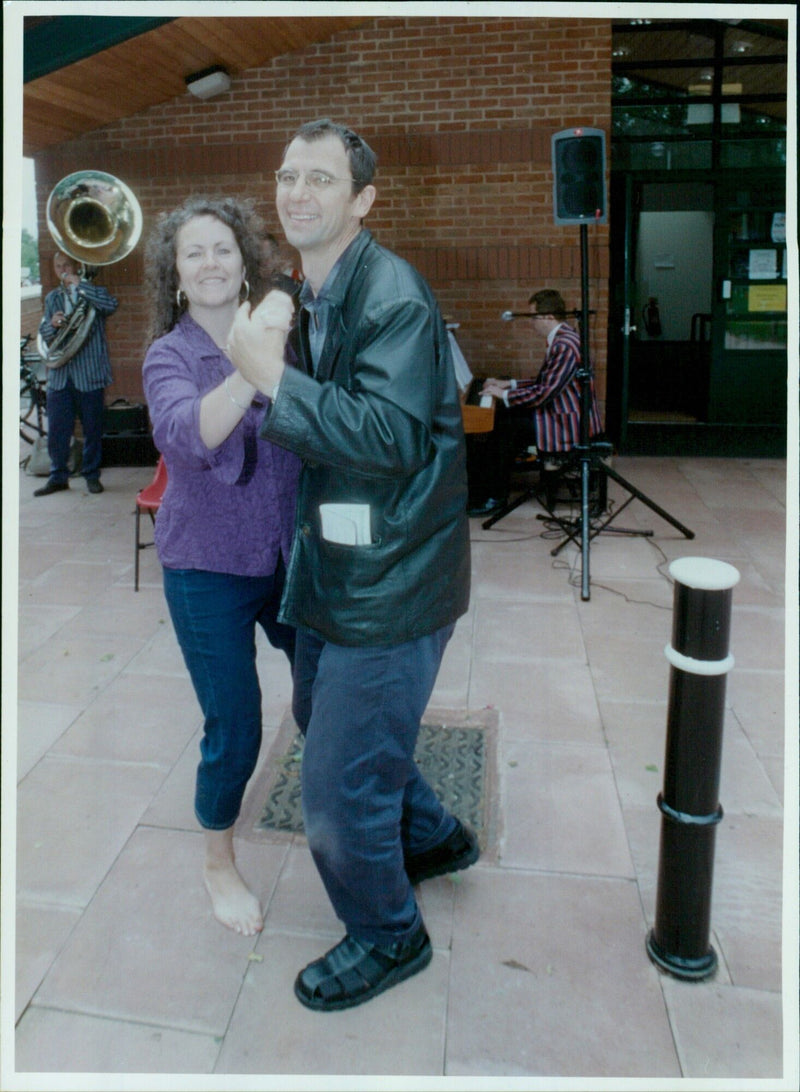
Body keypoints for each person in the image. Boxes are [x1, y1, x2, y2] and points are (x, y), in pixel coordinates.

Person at [227, 118, 477, 1011]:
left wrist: (273, 379)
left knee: (333, 785)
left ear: (362, 199)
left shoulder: (393, 297)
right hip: (338, 571)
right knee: (322, 714)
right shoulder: (318, 288)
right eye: (289, 174)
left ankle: (387, 934)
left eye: (322, 179)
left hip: (394, 585)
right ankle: (434, 836)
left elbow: (392, 439)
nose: (298, 192)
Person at [141, 196, 300, 937]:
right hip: (206, 566)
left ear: (245, 263)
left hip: (287, 555)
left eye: (222, 249)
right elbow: (189, 435)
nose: (210, 263)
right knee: (235, 726)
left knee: (337, 694)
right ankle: (218, 861)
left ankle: (387, 818)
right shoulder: (168, 356)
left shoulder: (282, 332)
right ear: (176, 277)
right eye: (193, 253)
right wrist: (249, 364)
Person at [466, 288, 603, 516]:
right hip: (562, 414)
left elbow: (543, 393)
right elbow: (544, 381)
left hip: (568, 424)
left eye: (533, 317)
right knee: (501, 419)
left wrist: (505, 396)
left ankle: (494, 497)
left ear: (548, 317)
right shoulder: (561, 339)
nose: (531, 323)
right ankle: (483, 489)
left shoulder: (564, 345)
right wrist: (508, 385)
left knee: (503, 427)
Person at [34, 251, 118, 496]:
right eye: (58, 266)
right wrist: (53, 325)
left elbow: (111, 305)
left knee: (93, 429)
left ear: (76, 266)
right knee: (58, 431)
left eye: (66, 265)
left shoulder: (93, 292)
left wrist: (80, 285)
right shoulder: (52, 298)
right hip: (60, 377)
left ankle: (91, 475)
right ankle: (58, 476)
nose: (62, 270)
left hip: (89, 374)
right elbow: (45, 336)